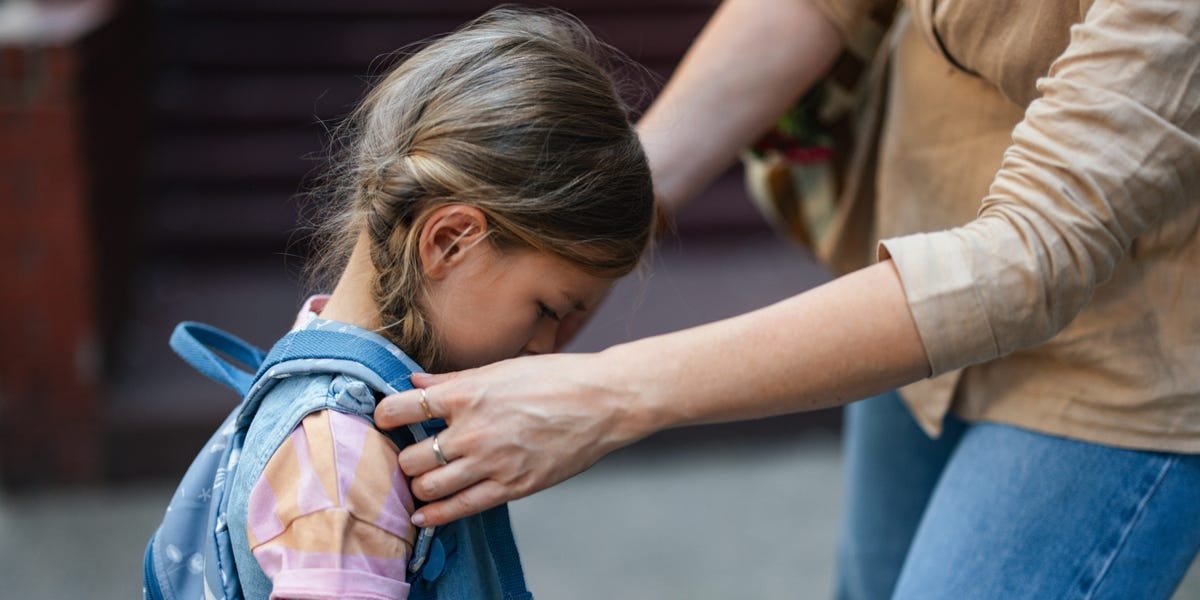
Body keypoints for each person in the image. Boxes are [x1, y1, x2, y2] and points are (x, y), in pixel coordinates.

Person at [373, 0, 1200, 597]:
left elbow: (1035, 255)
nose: (545, 348)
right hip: (906, 264)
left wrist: (608, 394)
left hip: (1128, 353)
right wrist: (605, 209)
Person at [225, 8, 655, 598]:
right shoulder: (346, 468)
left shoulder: (310, 353)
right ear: (450, 240)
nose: (546, 348)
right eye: (548, 310)